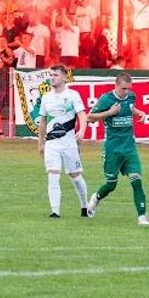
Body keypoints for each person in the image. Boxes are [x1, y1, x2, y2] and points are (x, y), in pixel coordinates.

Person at [85, 73, 149, 226]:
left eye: (129, 89)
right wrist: (110, 113)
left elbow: (130, 107)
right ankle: (96, 197)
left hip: (129, 148)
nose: (126, 92)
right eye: (124, 89)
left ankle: (142, 217)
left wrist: (138, 113)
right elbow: (89, 117)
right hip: (112, 149)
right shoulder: (106, 99)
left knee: (137, 182)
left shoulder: (131, 97)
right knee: (111, 184)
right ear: (116, 86)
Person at [34, 65, 89, 218]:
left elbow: (82, 115)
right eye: (51, 75)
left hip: (69, 142)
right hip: (52, 143)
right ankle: (55, 211)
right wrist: (41, 143)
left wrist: (82, 130)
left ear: (64, 77)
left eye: (56, 75)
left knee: (75, 176)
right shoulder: (46, 97)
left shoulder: (72, 95)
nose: (52, 77)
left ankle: (85, 206)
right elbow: (43, 121)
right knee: (53, 174)